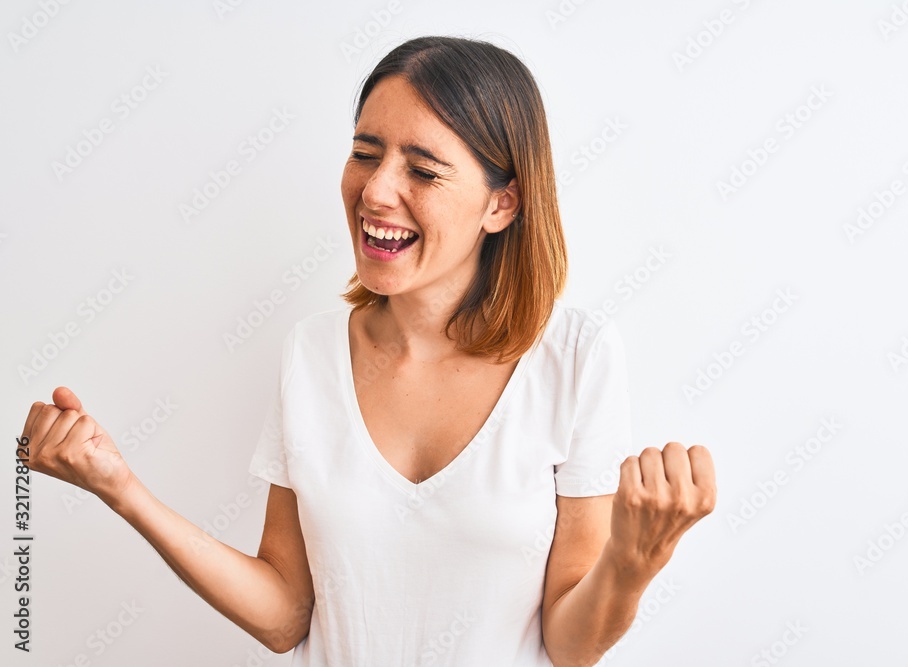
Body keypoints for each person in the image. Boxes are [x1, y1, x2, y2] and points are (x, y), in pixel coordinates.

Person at [20, 35, 716, 666]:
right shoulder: (312, 353)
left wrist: (633, 557)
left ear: (502, 205)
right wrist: (120, 487)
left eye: (423, 168)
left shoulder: (576, 357)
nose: (375, 190)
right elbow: (285, 613)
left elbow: (569, 642)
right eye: (364, 152)